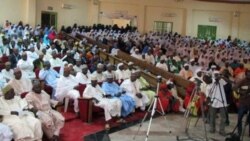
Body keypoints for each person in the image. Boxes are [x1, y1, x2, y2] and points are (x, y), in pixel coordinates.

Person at [206, 71, 228, 136]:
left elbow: (228, 82)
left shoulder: (221, 81)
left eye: (217, 75)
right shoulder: (210, 83)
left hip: (222, 101)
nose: (216, 76)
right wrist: (209, 101)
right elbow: (208, 96)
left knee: (223, 117)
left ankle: (222, 130)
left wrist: (221, 77)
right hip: (213, 101)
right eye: (215, 75)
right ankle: (212, 128)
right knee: (212, 116)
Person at [234, 70, 250, 137]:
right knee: (240, 118)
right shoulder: (242, 81)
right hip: (243, 103)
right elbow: (234, 88)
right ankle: (239, 132)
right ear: (246, 75)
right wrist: (241, 92)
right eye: (248, 74)